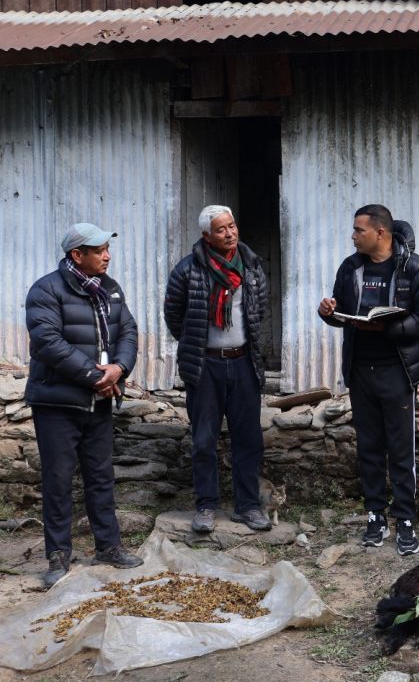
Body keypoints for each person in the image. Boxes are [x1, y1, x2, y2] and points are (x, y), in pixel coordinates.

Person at [25, 223, 143, 588]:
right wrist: (97, 376)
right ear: (77, 255)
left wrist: (119, 368)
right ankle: (57, 556)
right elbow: (48, 342)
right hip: (58, 403)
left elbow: (128, 331)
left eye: (107, 249)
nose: (107, 256)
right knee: (58, 480)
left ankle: (108, 546)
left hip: (99, 401)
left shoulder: (110, 289)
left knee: (100, 476)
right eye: (99, 250)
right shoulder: (46, 290)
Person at [318, 204, 419, 556]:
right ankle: (375, 516)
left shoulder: (416, 269)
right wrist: (327, 312)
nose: (353, 235)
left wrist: (386, 327)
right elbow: (341, 313)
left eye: (359, 230)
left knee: (401, 450)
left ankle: (404, 519)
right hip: (360, 369)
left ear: (381, 233)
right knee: (369, 448)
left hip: (397, 370)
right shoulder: (351, 267)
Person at [164, 205, 270, 534]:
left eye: (232, 226)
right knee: (203, 440)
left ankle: (248, 506)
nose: (230, 233)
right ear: (206, 236)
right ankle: (207, 505)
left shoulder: (251, 266)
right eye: (221, 229)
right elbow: (174, 316)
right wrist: (199, 344)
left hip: (243, 362)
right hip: (205, 365)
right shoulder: (188, 270)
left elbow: (259, 310)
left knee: (248, 439)